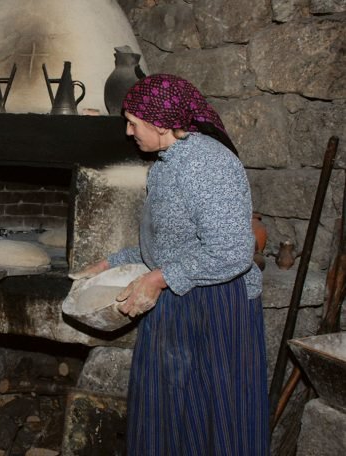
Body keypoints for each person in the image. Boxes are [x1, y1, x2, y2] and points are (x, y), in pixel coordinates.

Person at [71, 74, 268, 455]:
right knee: (168, 415)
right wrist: (110, 262)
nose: (128, 132)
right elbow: (168, 242)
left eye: (133, 123)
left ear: (161, 124)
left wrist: (160, 278)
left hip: (215, 307)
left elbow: (232, 251)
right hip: (180, 298)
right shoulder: (166, 164)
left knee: (214, 419)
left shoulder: (207, 165)